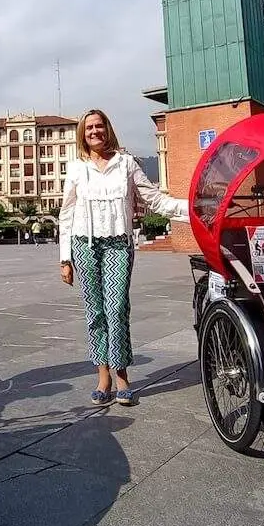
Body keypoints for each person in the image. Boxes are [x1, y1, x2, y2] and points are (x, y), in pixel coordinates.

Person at [58, 109, 188, 406]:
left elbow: (154, 199)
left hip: (119, 244)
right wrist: (65, 258)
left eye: (99, 126)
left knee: (116, 309)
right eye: (89, 127)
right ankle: (102, 376)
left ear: (108, 129)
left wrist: (190, 208)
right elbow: (66, 214)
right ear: (83, 133)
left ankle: (121, 376)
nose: (94, 132)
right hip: (84, 245)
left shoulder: (126, 164)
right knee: (95, 311)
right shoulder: (77, 168)